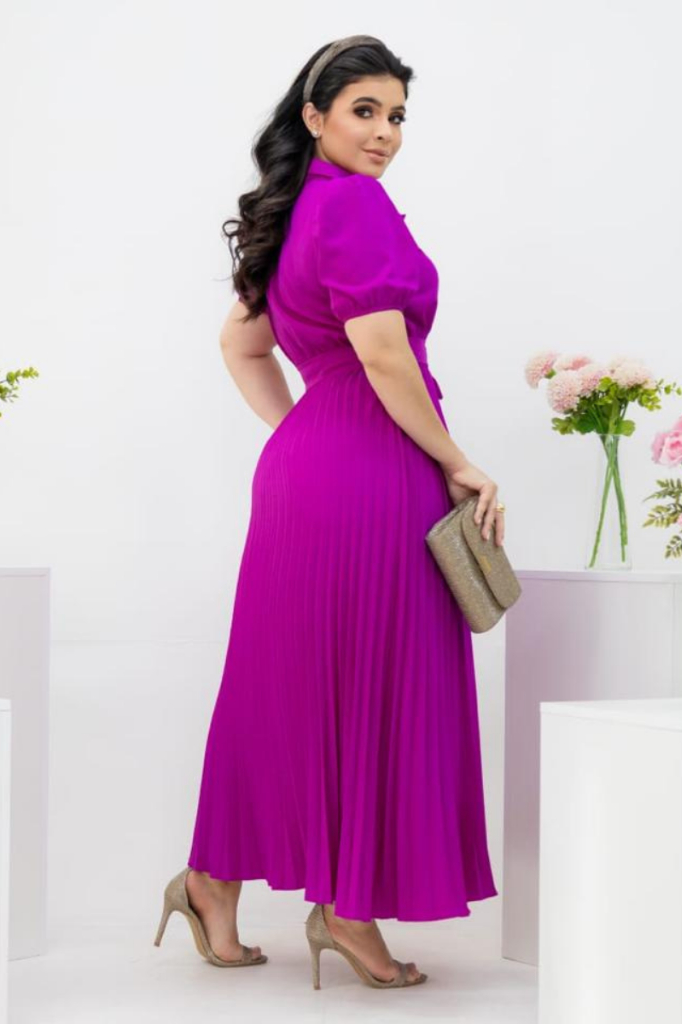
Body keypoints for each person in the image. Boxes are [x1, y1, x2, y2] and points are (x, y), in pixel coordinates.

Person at [153, 35, 504, 989]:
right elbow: (383, 353)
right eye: (365, 111)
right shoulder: (352, 205)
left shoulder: (292, 210)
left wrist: (302, 433)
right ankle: (346, 909)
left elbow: (242, 344)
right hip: (374, 475)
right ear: (314, 117)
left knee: (284, 679)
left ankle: (212, 883)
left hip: (307, 474)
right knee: (381, 678)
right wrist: (457, 461)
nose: (385, 133)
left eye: (398, 117)